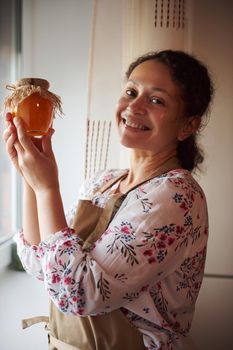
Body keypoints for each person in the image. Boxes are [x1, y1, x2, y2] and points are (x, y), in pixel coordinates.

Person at [3, 50, 213, 350]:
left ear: (188, 125)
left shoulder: (176, 195)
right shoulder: (103, 182)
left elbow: (79, 293)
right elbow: (41, 264)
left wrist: (48, 188)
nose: (134, 106)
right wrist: (29, 177)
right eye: (131, 91)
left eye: (156, 100)